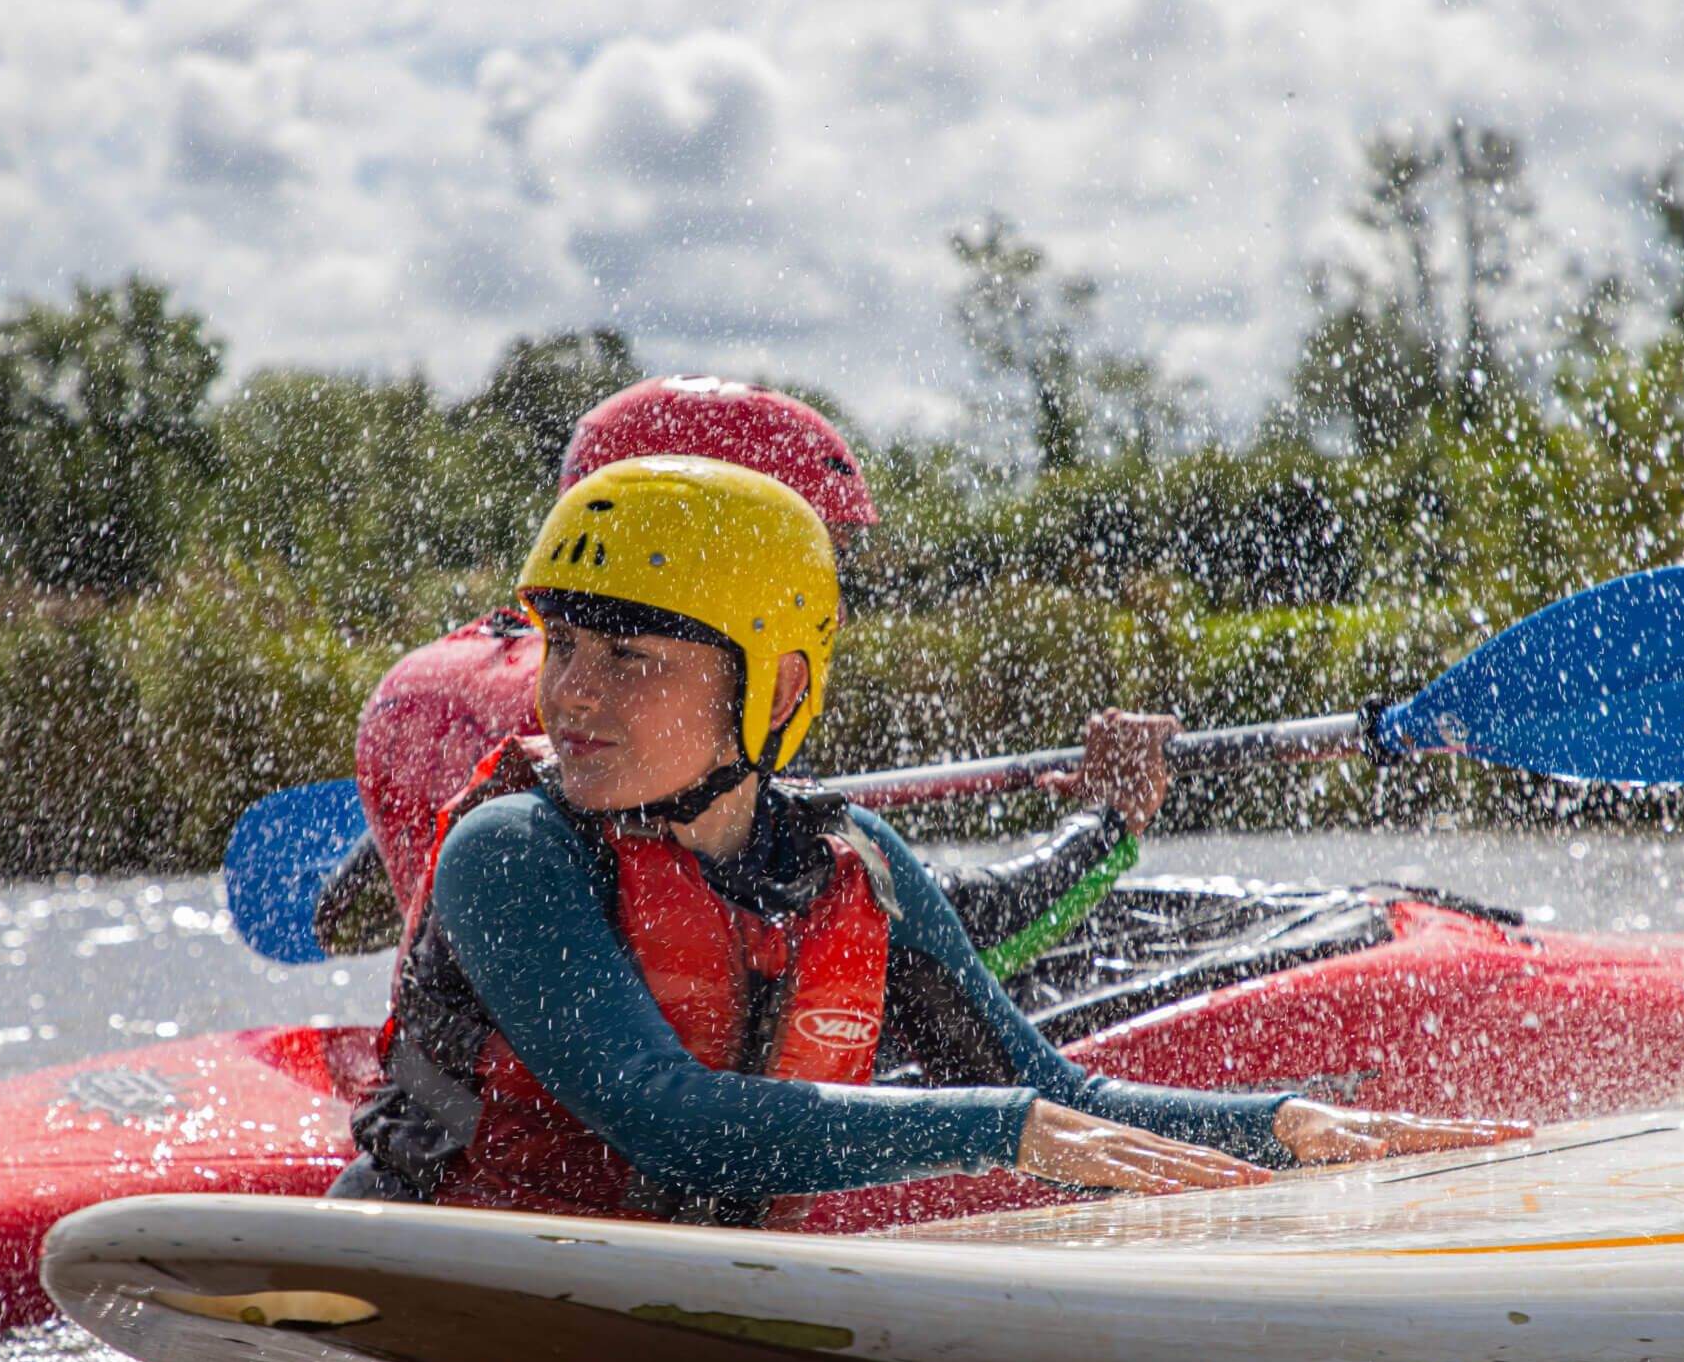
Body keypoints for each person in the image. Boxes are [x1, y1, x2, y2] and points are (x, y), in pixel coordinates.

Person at [328, 456, 1524, 1230]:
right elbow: (663, 1113)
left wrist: (1281, 1125)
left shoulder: (863, 873)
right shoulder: (511, 852)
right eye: (561, 647)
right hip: (446, 1274)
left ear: (774, 683)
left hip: (668, 1296)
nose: (570, 696)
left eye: (629, 659)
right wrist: (994, 1131)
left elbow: (1053, 1096)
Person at [315, 374, 1173, 971]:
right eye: (805, 550)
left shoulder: (427, 681)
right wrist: (1105, 824)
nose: (826, 593)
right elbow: (941, 939)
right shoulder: (658, 710)